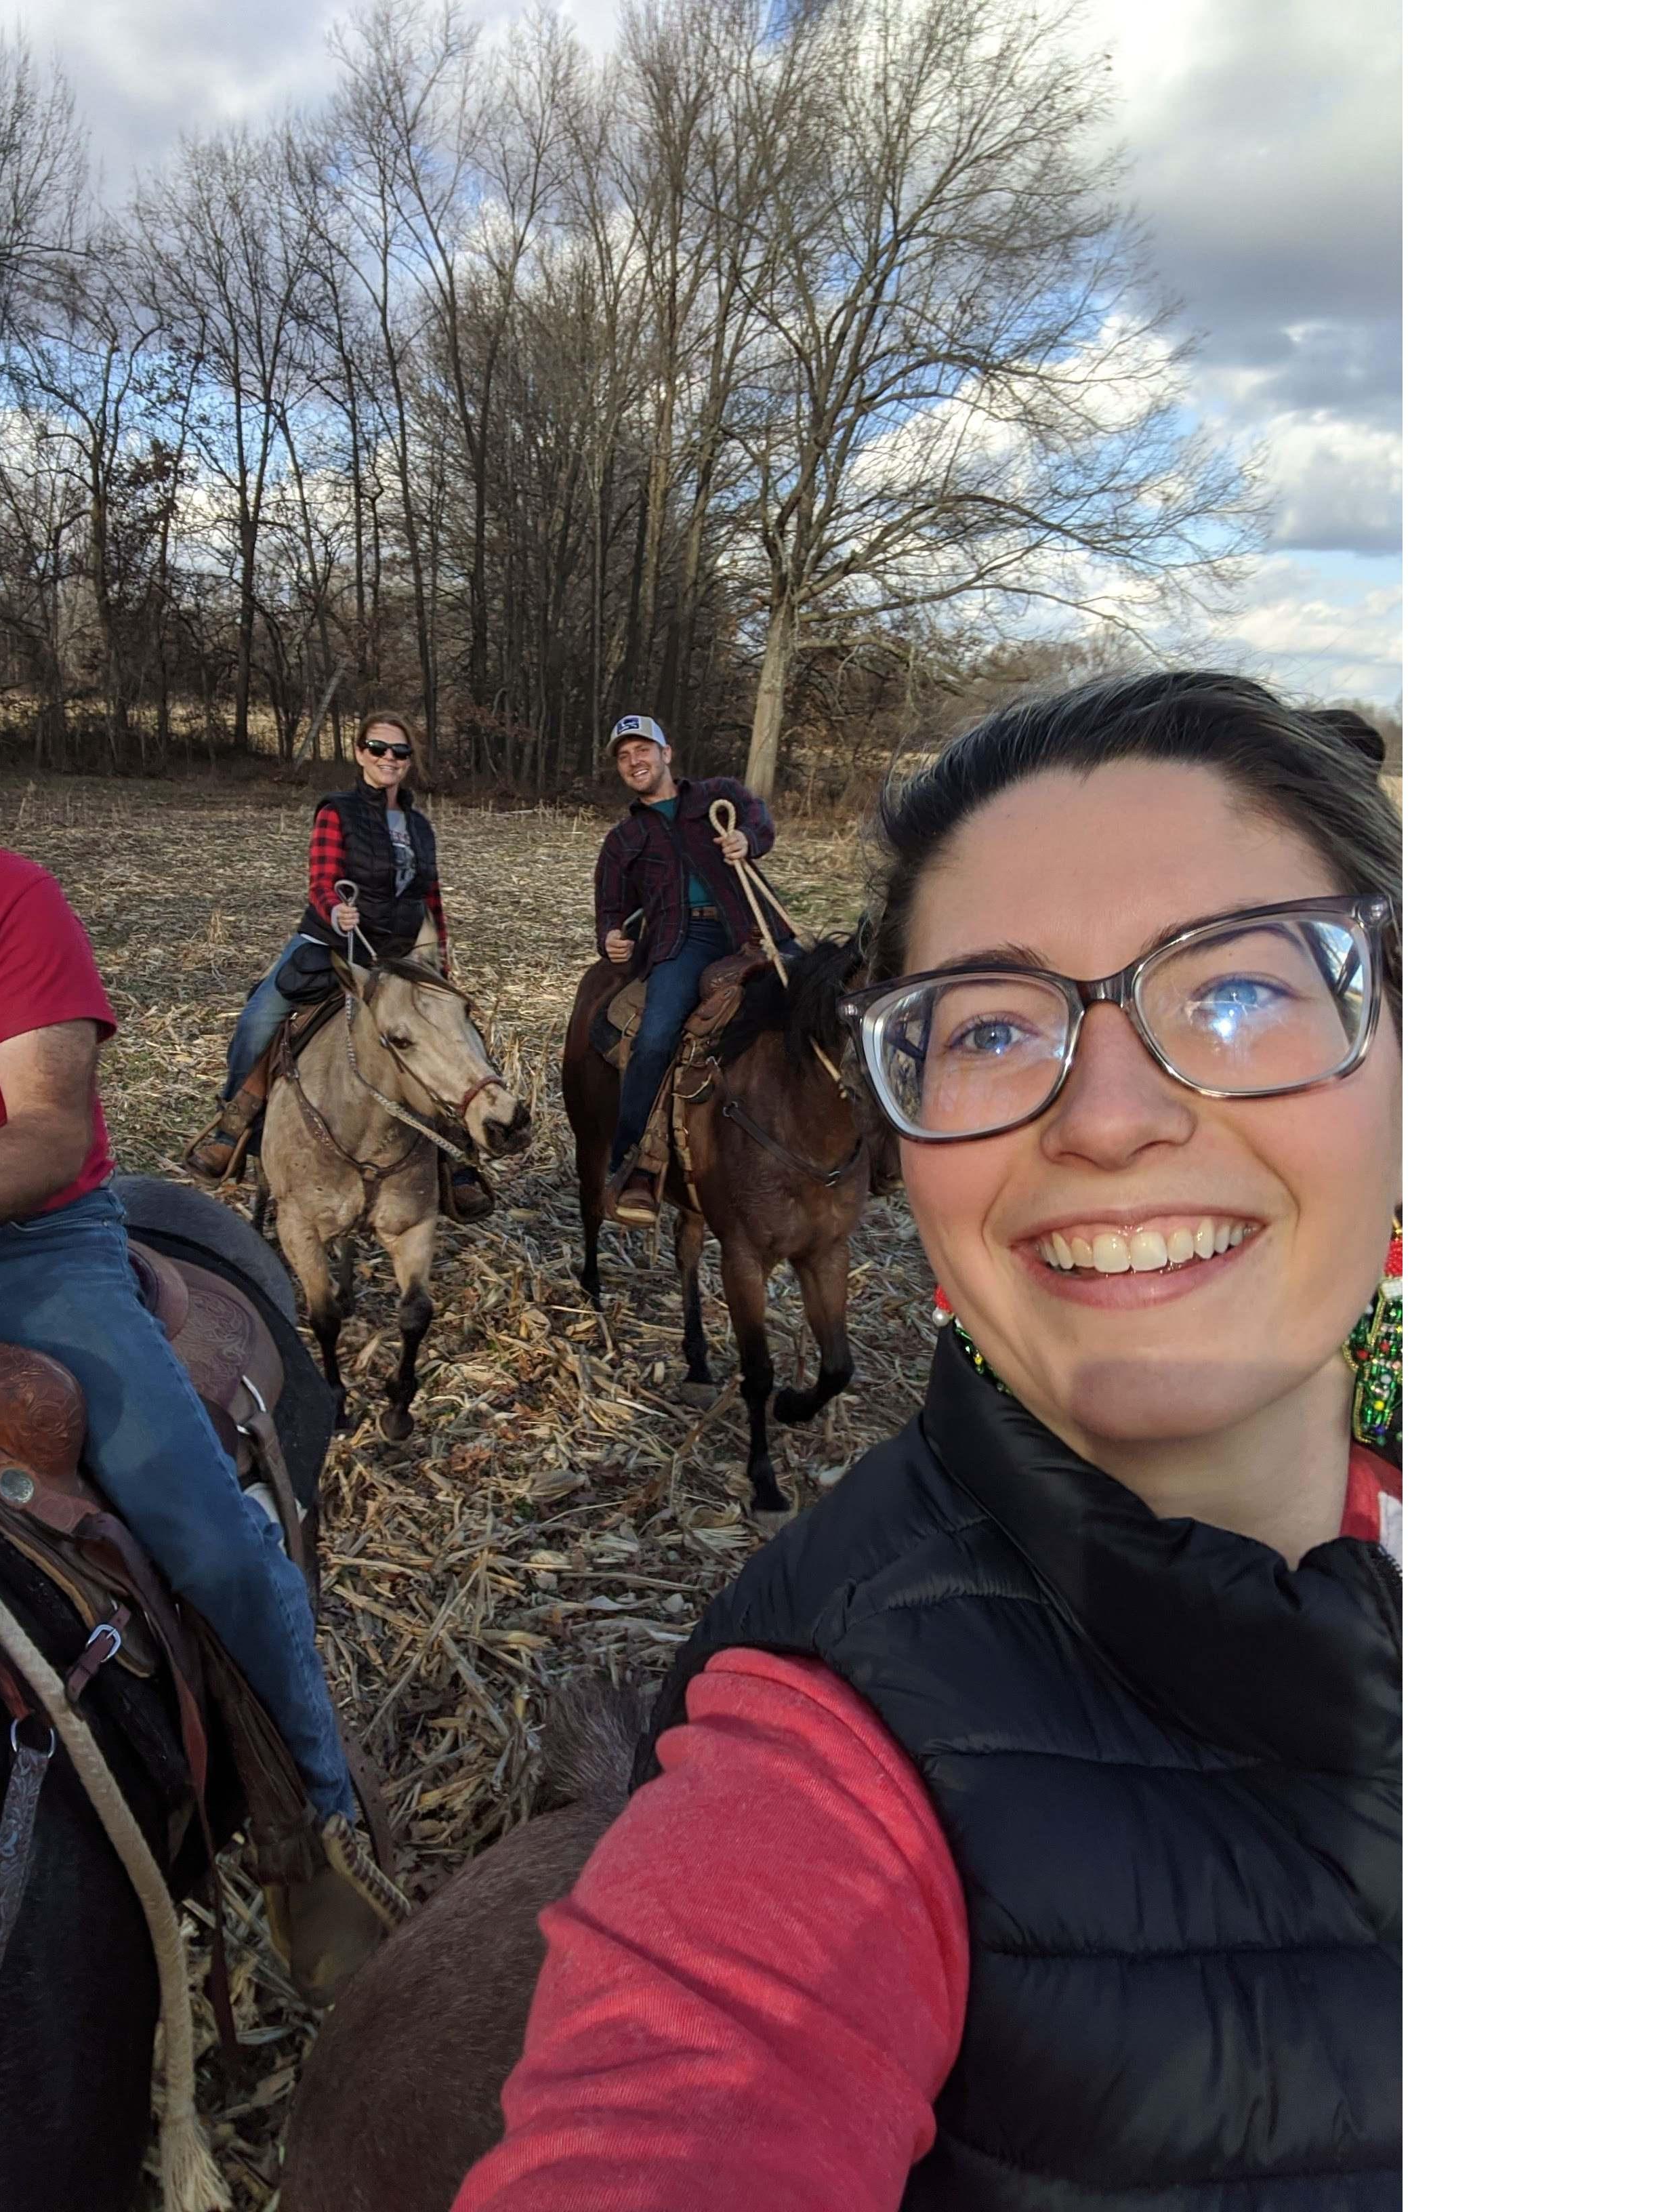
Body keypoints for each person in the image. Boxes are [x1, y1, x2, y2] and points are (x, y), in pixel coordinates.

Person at [457, 672, 1403, 2209]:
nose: (1106, 1118)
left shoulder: (715, 813)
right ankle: (631, 1154)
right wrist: (643, 930)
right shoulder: (827, 1744)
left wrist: (736, 841)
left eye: (1238, 989)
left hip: (756, 948)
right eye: (988, 1026)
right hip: (686, 957)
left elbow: (751, 840)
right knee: (645, 1039)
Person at [0, 602, 396, 1987]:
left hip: (25, 1253)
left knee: (208, 1531)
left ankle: (313, 1835)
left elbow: (47, 1127)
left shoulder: (1, 896)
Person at [188, 712, 490, 1217]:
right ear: (359, 753)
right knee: (260, 1016)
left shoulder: (419, 826)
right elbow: (321, 881)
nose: (388, 759)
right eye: (378, 749)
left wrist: (442, 963)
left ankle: (458, 1158)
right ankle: (233, 1126)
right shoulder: (338, 812)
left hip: (398, 958)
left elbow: (430, 897)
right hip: (331, 943)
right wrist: (336, 909)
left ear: (410, 761)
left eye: (399, 752)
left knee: (457, 1036)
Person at [590, 713, 791, 1225]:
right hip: (684, 940)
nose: (635, 761)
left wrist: (748, 840)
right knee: (655, 1037)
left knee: (822, 1002)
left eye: (643, 750)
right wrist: (611, 939)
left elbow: (759, 820)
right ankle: (633, 1162)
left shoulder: (717, 796)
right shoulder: (623, 839)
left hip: (751, 925)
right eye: (624, 755)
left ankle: (865, 1142)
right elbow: (610, 912)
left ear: (667, 753)